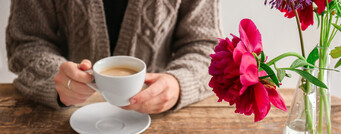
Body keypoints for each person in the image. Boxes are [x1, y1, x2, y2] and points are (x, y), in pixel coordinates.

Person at [6, 0, 222, 114]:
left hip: (159, 120)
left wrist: (179, 84)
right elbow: (26, 42)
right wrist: (56, 77)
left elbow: (205, 46)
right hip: (66, 121)